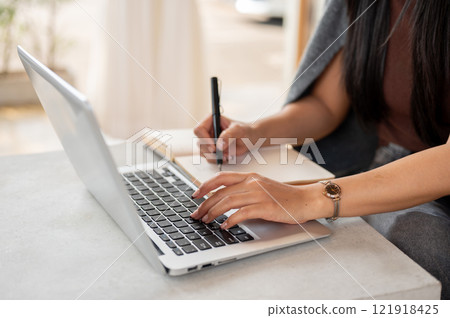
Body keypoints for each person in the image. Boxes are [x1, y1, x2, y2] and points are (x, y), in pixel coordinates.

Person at [192, 0, 450, 299]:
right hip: (375, 164)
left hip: (431, 182)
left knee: (426, 249)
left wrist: (309, 197)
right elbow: (326, 105)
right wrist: (254, 132)